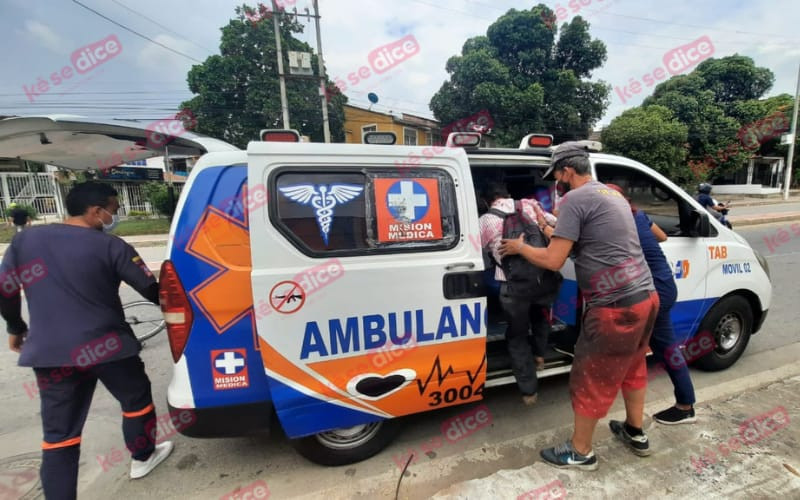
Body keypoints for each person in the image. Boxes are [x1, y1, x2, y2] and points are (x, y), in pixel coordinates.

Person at [0, 182, 173, 500]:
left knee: (59, 436)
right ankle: (142, 457)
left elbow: (6, 289)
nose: (113, 216)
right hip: (109, 347)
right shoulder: (112, 246)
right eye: (113, 210)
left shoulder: (25, 241)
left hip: (51, 353)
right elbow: (152, 291)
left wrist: (15, 327)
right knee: (135, 402)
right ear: (96, 211)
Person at [499, 142, 659, 470]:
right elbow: (589, 238)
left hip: (615, 308)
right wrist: (546, 228)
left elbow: (554, 259)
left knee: (590, 376)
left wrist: (520, 246)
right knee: (633, 366)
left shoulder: (574, 199)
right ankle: (635, 431)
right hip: (645, 297)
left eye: (556, 176)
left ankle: (581, 452)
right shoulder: (610, 194)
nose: (555, 184)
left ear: (567, 172)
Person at [606, 183, 698, 425]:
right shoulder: (638, 215)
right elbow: (663, 236)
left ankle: (683, 406)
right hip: (665, 284)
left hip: (651, 290)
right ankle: (684, 404)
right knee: (664, 349)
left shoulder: (614, 224)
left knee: (658, 350)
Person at [479, 181, 558, 405]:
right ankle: (540, 356)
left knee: (517, 335)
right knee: (541, 317)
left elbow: (475, 251)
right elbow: (557, 227)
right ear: (508, 194)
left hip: (513, 288)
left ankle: (529, 392)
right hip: (543, 278)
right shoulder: (531, 205)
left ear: (486, 201)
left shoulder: (485, 220)